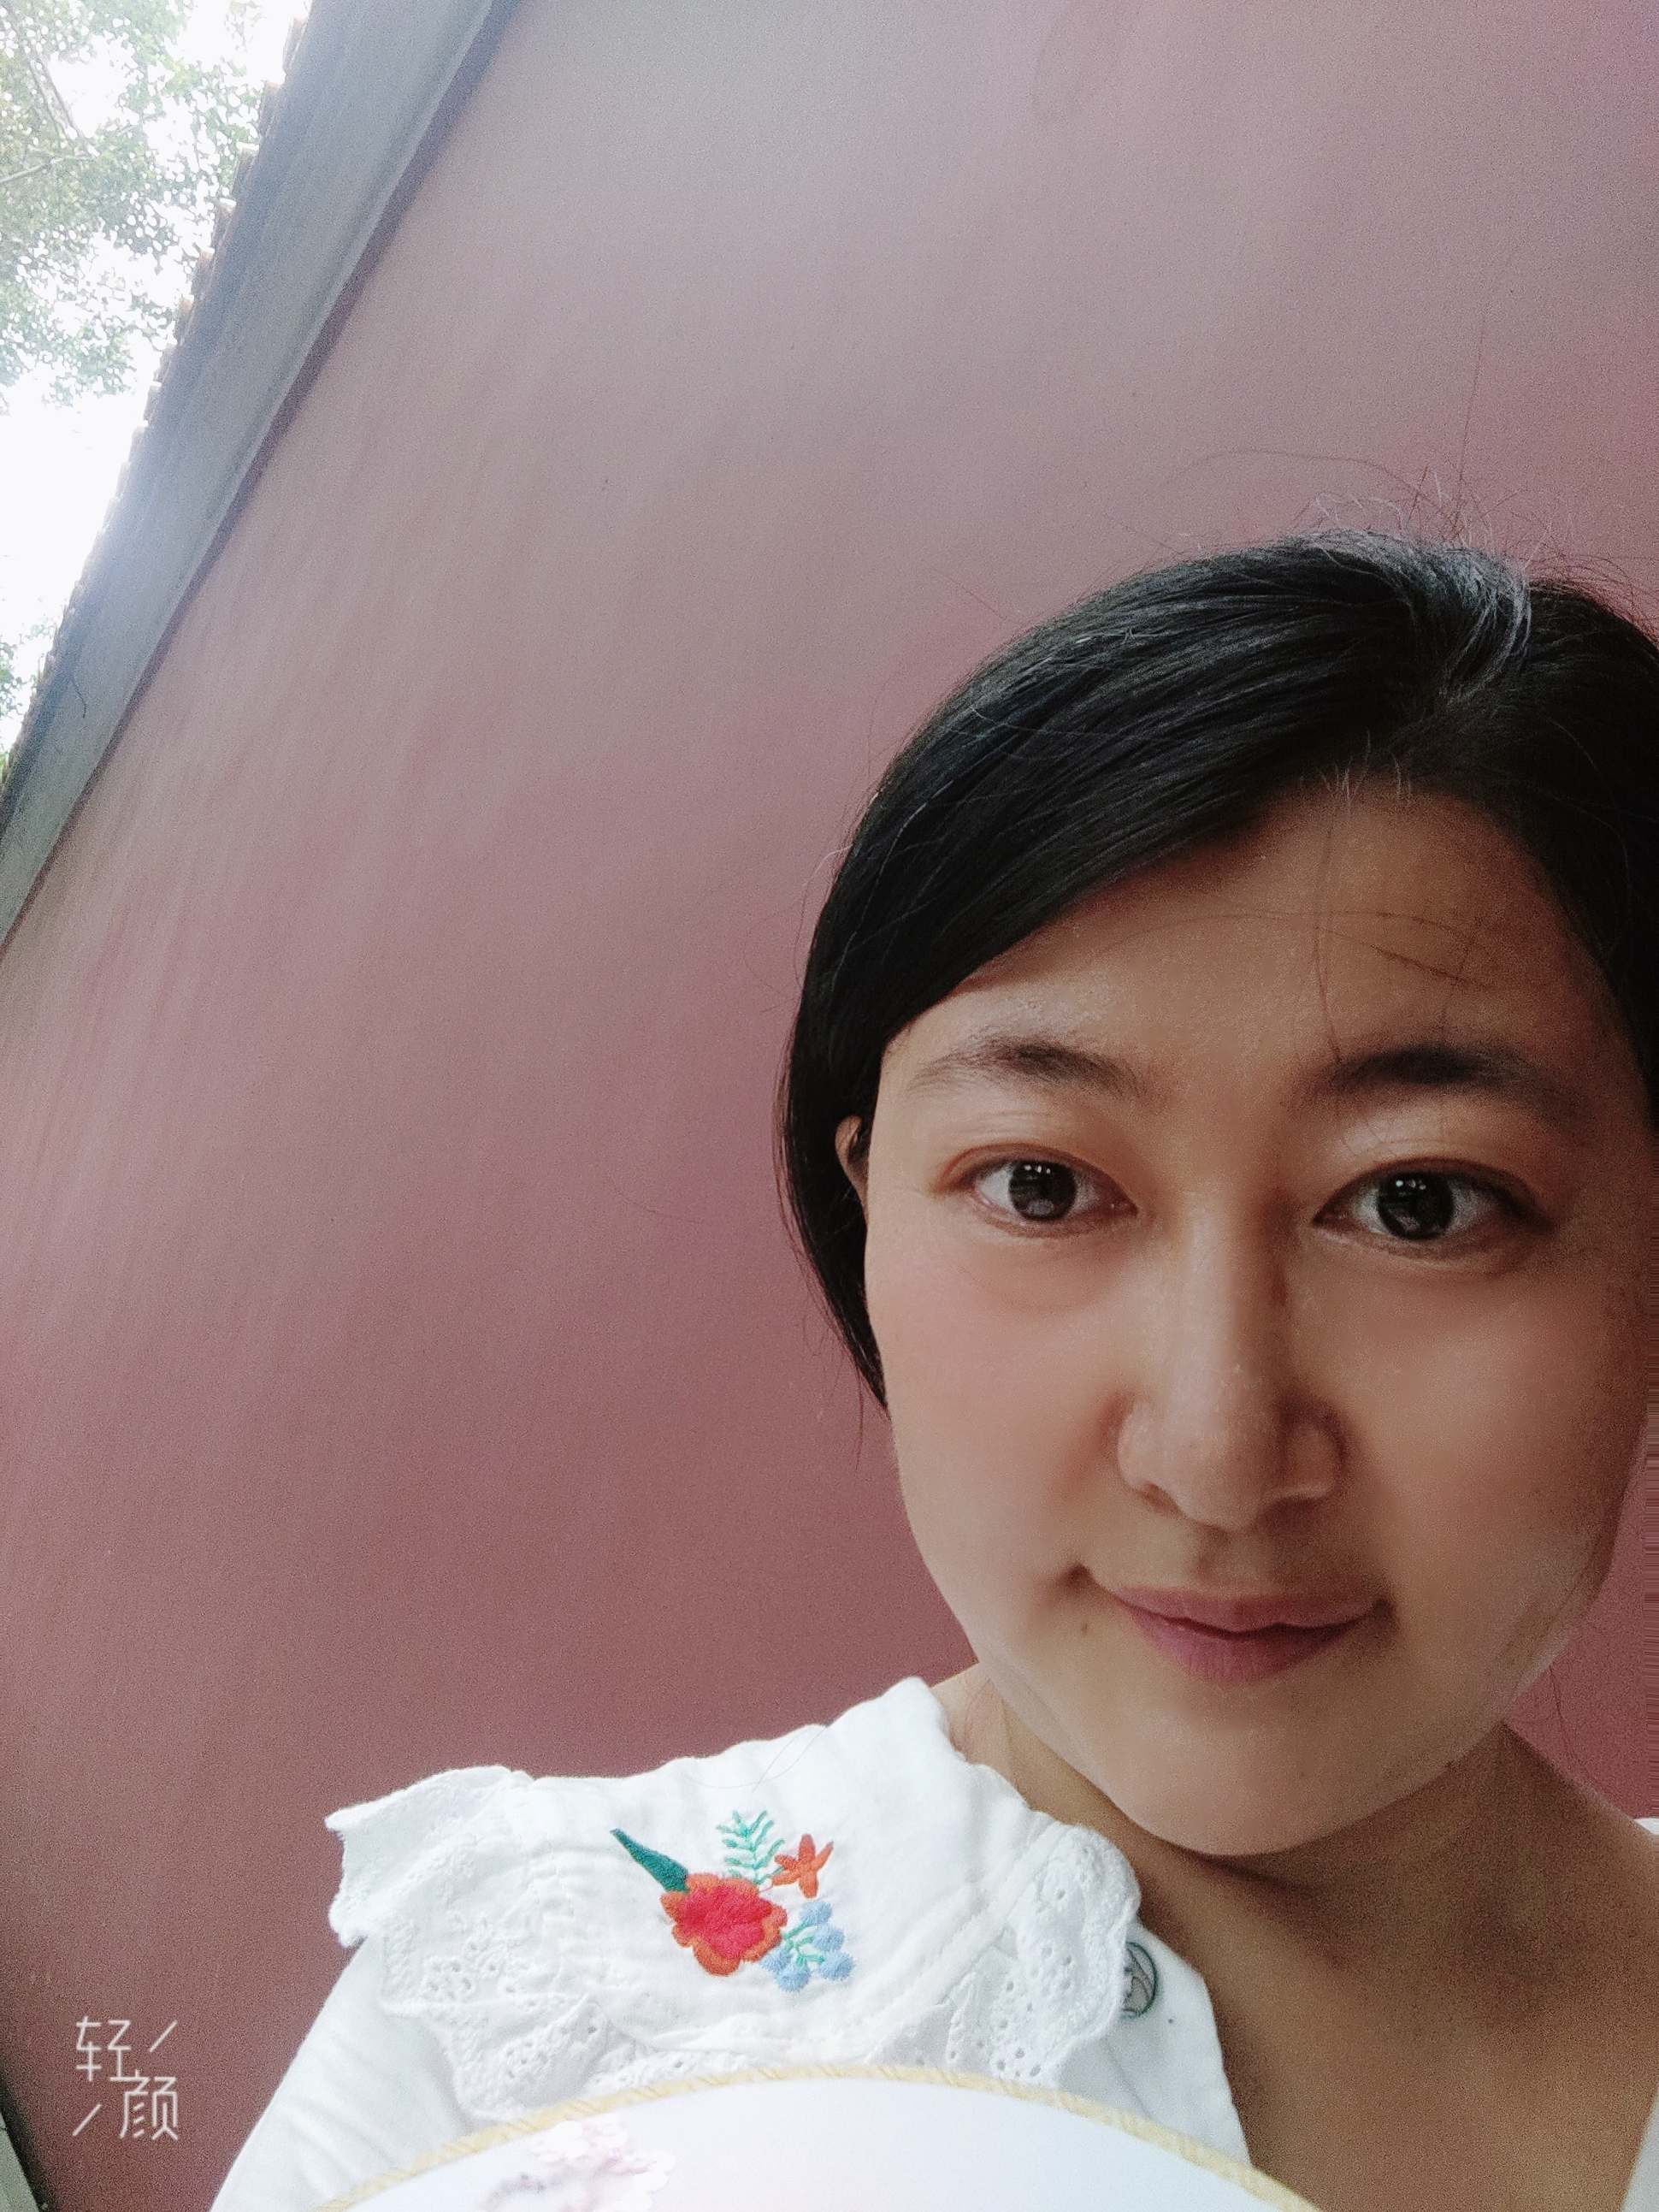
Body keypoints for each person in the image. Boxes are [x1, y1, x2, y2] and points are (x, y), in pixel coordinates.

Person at [211, 530, 1659, 2212]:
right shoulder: (532, 2034)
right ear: (869, 1220)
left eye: (1418, 1203)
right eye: (1039, 1185)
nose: (1213, 1451)